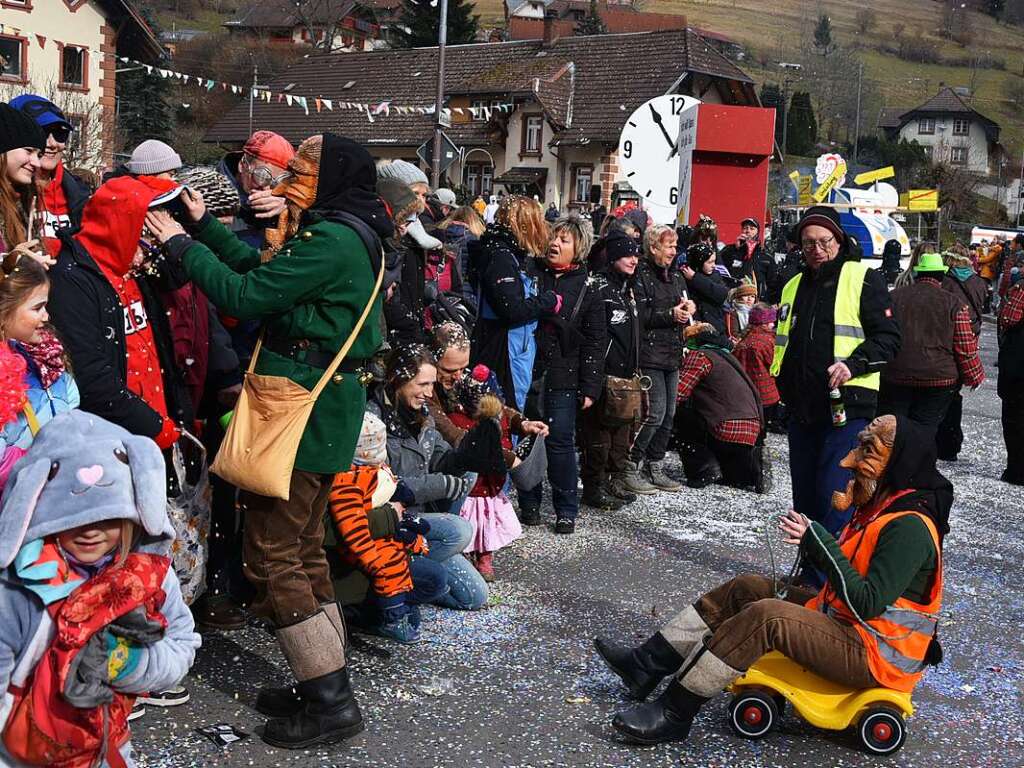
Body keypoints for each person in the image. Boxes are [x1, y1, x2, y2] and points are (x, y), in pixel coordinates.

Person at [146, 134, 391, 749]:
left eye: (306, 171)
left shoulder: (333, 239)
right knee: (304, 549)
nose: (291, 181)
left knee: (275, 553)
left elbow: (245, 295)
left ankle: (331, 702)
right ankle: (322, 679)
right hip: (320, 411)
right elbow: (264, 270)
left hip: (302, 415)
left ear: (333, 176)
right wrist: (204, 227)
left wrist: (178, 245)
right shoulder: (344, 230)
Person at [596, 414, 947, 746]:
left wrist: (819, 543)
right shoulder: (881, 506)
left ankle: (674, 712)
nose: (850, 461)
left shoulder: (909, 527)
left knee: (768, 616)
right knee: (747, 588)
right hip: (848, 625)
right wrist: (815, 545)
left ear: (898, 462)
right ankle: (646, 665)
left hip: (873, 655)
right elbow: (851, 575)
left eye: (868, 452)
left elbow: (867, 601)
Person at [0, 411, 201, 766]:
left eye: (107, 518)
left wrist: (130, 665)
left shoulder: (148, 577)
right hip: (23, 751)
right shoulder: (19, 588)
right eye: (73, 518)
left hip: (105, 746)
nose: (90, 531)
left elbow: (182, 644)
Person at [771, 206, 900, 582]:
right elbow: (784, 343)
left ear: (838, 241)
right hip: (802, 409)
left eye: (824, 241)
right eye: (808, 242)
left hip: (848, 408)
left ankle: (828, 581)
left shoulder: (863, 278)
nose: (816, 249)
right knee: (806, 501)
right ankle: (810, 576)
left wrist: (853, 365)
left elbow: (890, 338)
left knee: (835, 497)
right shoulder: (793, 284)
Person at [48, 177, 191, 452]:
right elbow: (89, 375)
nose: (152, 241)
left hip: (157, 425)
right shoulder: (72, 280)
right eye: (145, 230)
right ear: (123, 225)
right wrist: (155, 428)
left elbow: (181, 276)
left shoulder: (136, 267)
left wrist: (189, 232)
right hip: (114, 442)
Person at [367, 344, 503, 610]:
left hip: (421, 519)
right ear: (399, 379)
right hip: (391, 520)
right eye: (422, 384)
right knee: (459, 530)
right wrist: (441, 484)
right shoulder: (373, 420)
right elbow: (381, 486)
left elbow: (441, 454)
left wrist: (467, 455)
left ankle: (418, 575)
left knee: (474, 597)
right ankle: (386, 581)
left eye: (431, 384)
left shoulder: (422, 413)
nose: (430, 393)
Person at [425, 323, 548, 577]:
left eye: (463, 367)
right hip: (441, 469)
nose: (459, 376)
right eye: (449, 370)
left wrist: (519, 422)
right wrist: (507, 458)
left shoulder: (463, 380)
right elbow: (456, 437)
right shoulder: (426, 391)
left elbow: (494, 406)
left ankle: (480, 552)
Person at [518, 214, 605, 533]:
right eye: (553, 237)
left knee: (560, 443)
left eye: (564, 240)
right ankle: (528, 503)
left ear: (579, 247)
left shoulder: (588, 286)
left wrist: (590, 386)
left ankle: (565, 509)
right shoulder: (531, 273)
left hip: (564, 376)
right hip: (527, 370)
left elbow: (596, 340)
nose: (555, 243)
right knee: (527, 439)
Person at [327, 412, 438, 644]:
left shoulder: (373, 469)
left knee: (451, 537)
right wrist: (373, 560)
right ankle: (390, 616)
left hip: (391, 532)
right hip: (369, 550)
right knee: (396, 569)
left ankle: (393, 606)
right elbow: (352, 526)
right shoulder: (347, 480)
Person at [468, 195, 559, 413]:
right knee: (507, 413)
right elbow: (511, 308)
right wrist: (548, 301)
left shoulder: (505, 252)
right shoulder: (501, 256)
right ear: (526, 224)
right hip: (504, 349)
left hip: (511, 346)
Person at [879, 253, 984, 430]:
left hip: (896, 374)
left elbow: (881, 333)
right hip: (938, 378)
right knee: (925, 429)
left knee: (893, 429)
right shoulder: (954, 304)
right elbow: (965, 346)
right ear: (941, 276)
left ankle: (897, 456)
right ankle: (920, 453)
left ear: (917, 274)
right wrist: (974, 375)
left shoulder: (893, 298)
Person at [625, 223, 694, 494]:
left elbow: (682, 304)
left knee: (669, 415)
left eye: (675, 246)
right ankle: (630, 465)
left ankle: (655, 465)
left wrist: (688, 309)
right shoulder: (641, 276)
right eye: (669, 246)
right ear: (653, 247)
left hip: (672, 352)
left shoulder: (675, 276)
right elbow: (640, 315)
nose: (674, 251)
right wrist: (670, 315)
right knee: (653, 413)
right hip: (650, 353)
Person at [0, 253, 78, 489]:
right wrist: (44, 463)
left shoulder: (48, 356)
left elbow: (71, 404)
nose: (47, 316)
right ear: (4, 313)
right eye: (37, 308)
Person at [580, 230, 644, 508]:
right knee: (598, 437)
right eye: (628, 254)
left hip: (625, 378)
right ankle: (593, 488)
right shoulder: (599, 288)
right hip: (603, 375)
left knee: (620, 438)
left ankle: (610, 482)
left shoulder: (626, 289)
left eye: (636, 254)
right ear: (614, 256)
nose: (634, 260)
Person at [674, 323, 764, 490]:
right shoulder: (728, 357)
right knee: (734, 477)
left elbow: (678, 393)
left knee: (680, 415)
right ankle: (750, 470)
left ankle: (703, 469)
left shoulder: (700, 356)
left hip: (726, 427)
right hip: (753, 430)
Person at [10, 94, 91, 254]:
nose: (52, 143)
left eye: (60, 134)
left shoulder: (79, 192)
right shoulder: (8, 195)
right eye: (43, 132)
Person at [217, 130, 294, 248]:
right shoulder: (209, 197)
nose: (267, 188)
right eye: (261, 176)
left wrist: (290, 208)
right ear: (243, 165)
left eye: (276, 183)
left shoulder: (284, 201)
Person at [0, 103, 48, 270]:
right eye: (29, 150)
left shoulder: (22, 201)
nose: (36, 163)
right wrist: (10, 262)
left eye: (39, 154)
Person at [733, 303, 782, 432]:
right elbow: (775, 365)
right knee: (764, 426)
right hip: (766, 393)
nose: (773, 325)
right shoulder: (767, 341)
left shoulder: (743, 341)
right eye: (771, 321)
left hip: (746, 393)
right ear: (764, 323)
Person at [997, 277, 1024, 485]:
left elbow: (1009, 318)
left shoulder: (1021, 289)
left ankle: (1016, 469)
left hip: (1018, 368)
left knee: (1014, 421)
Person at [681, 241, 731, 338]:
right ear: (698, 262)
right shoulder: (683, 277)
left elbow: (722, 294)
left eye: (714, 261)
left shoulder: (715, 275)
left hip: (716, 328)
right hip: (694, 329)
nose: (714, 265)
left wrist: (696, 278)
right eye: (709, 262)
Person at [717, 217, 763, 287]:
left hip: (753, 294)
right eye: (745, 228)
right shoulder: (729, 249)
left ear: (757, 232)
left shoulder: (762, 254)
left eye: (752, 228)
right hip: (733, 292)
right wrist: (736, 249)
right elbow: (719, 265)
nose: (748, 231)